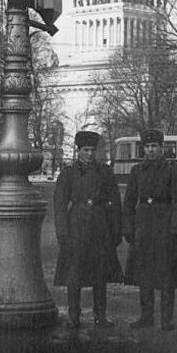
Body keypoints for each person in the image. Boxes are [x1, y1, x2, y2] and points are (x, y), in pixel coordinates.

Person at [123, 128, 177, 331]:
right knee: (144, 273)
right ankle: (146, 316)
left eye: (154, 146)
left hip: (165, 227)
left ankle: (166, 318)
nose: (151, 150)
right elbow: (128, 202)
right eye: (147, 147)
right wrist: (128, 228)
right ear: (143, 148)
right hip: (143, 226)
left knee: (166, 274)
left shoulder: (173, 170)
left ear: (162, 148)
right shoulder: (137, 171)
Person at [53, 130, 123, 329]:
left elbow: (116, 202)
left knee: (100, 273)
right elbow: (59, 206)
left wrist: (116, 229)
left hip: (100, 226)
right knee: (74, 274)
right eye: (86, 150)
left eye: (93, 150)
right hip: (76, 226)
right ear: (78, 151)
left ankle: (100, 315)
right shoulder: (68, 173)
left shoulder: (105, 172)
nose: (90, 154)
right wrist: (62, 233)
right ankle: (74, 315)